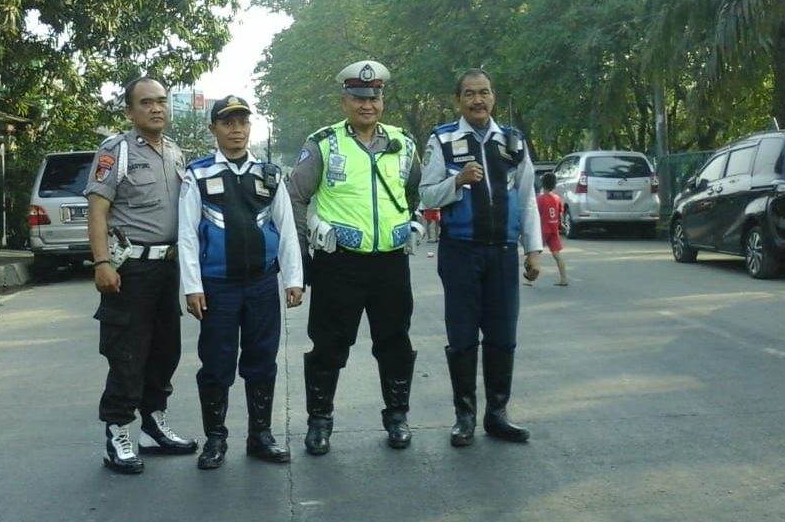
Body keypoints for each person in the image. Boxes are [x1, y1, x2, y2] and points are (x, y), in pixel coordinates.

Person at [287, 60, 424, 454]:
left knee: (395, 341)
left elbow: (419, 189)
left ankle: (397, 417)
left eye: (374, 97)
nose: (367, 104)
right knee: (329, 345)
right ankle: (319, 423)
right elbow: (295, 197)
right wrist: (300, 258)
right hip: (339, 264)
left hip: (391, 264)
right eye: (358, 97)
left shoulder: (403, 143)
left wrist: (414, 223)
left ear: (382, 100)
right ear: (344, 100)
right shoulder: (323, 143)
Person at [178, 95, 305, 470]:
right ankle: (216, 439)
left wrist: (293, 279)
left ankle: (260, 436)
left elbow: (286, 230)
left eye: (243, 122)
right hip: (217, 287)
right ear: (214, 128)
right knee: (217, 364)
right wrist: (192, 286)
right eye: (228, 123)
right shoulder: (198, 174)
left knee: (262, 361)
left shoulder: (269, 174)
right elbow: (186, 234)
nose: (237, 130)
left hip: (263, 285)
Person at [419, 68, 541, 447]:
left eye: (484, 92)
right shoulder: (443, 140)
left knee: (503, 335)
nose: (477, 100)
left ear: (494, 97)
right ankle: (465, 416)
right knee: (462, 336)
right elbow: (425, 195)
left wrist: (533, 249)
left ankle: (498, 413)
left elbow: (527, 198)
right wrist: (456, 181)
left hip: (503, 253)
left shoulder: (513, 141)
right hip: (460, 252)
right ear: (458, 100)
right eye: (469, 94)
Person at [85, 76, 198, 475]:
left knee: (165, 351)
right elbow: (97, 209)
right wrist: (102, 262)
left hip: (167, 267)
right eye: (146, 102)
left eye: (162, 101)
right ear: (130, 111)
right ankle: (118, 432)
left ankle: (153, 426)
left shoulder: (174, 153)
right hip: (129, 269)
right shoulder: (115, 151)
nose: (156, 109)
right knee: (128, 354)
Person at [535, 172, 569, 286]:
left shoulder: (540, 199)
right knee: (557, 254)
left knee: (534, 254)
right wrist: (561, 224)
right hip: (554, 228)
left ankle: (529, 278)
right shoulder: (557, 198)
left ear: (542, 184)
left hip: (543, 229)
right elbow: (560, 214)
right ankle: (564, 278)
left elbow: (536, 215)